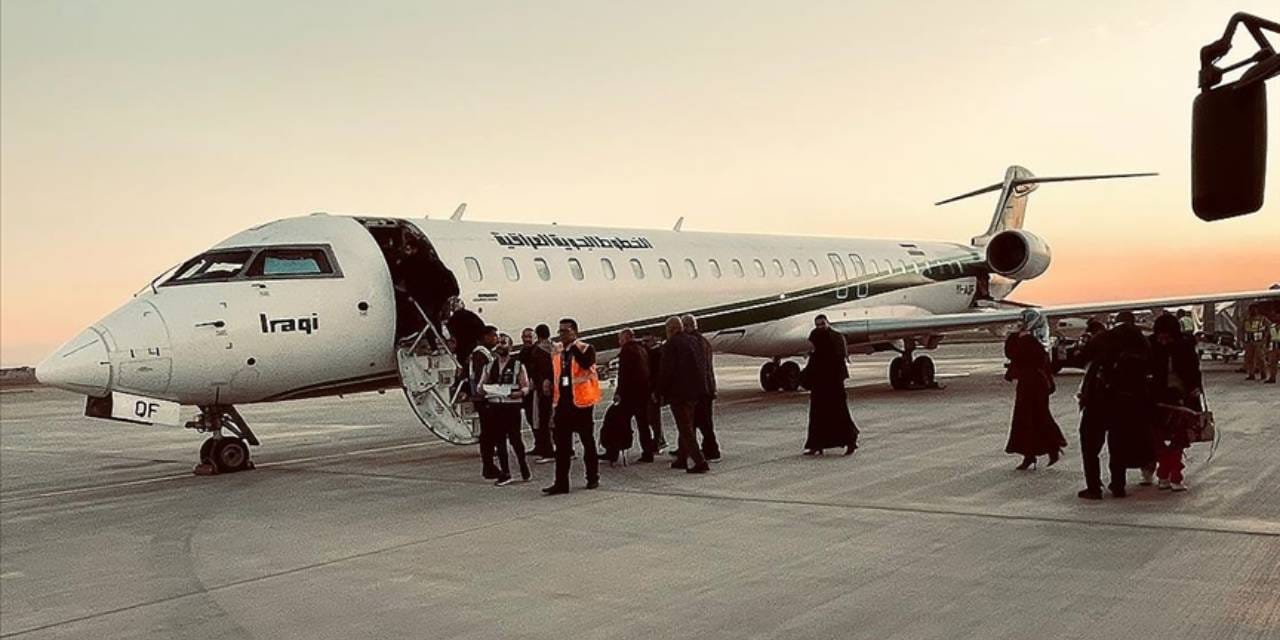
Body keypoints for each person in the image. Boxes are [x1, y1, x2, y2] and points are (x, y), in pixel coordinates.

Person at [1076, 311, 1155, 499]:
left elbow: (1081, 358)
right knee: (1118, 444)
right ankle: (1118, 485)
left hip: (1098, 399)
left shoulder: (1103, 338)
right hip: (1126, 401)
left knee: (1090, 446)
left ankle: (1093, 488)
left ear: (1116, 322)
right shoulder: (1142, 342)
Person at [543, 318, 603, 495]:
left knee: (587, 442)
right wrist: (547, 381)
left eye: (565, 331)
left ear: (574, 332)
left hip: (582, 403)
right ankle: (561, 483)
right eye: (560, 331)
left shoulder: (585, 348)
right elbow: (554, 372)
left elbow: (586, 363)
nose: (561, 334)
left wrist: (573, 347)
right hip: (563, 403)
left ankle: (592, 477)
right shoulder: (558, 352)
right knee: (562, 446)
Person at [1145, 314, 1203, 492]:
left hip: (1182, 399)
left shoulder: (1184, 347)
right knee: (1158, 439)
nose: (1163, 342)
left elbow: (1194, 371)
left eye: (1167, 338)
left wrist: (1196, 388)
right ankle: (1166, 474)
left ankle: (1173, 475)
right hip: (1157, 399)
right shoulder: (1150, 346)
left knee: (1179, 438)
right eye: (1160, 338)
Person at [1003, 330, 1066, 470]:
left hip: (1029, 387)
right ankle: (1045, 450)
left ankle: (1033, 454)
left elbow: (1011, 354)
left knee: (1028, 420)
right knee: (1038, 419)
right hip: (1037, 386)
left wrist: (1012, 338)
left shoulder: (1025, 349)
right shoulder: (1037, 351)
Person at [800, 315, 859, 455]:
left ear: (828, 323)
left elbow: (838, 359)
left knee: (839, 413)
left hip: (833, 382)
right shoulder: (815, 336)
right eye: (817, 324)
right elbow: (814, 357)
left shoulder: (836, 337)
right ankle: (816, 445)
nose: (820, 327)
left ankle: (850, 442)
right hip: (820, 382)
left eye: (822, 323)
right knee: (817, 415)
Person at [659, 316, 711, 474]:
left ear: (671, 329)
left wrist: (659, 392)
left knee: (685, 429)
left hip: (679, 393)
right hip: (695, 391)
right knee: (687, 425)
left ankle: (699, 461)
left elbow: (666, 372)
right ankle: (682, 458)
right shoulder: (694, 341)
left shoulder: (670, 345)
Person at [482, 333, 532, 486]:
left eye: (504, 343)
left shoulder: (517, 365)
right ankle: (506, 473)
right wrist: (485, 389)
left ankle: (523, 466)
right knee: (500, 441)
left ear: (510, 347)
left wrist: (520, 393)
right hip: (496, 406)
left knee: (515, 439)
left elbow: (526, 386)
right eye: (498, 342)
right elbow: (480, 386)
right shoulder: (489, 366)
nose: (500, 345)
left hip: (511, 406)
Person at [607, 328, 655, 462]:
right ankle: (648, 452)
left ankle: (614, 451)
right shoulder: (642, 349)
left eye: (620, 339)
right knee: (643, 424)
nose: (619, 342)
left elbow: (624, 375)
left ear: (626, 338)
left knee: (619, 421)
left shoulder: (627, 351)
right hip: (643, 392)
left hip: (630, 394)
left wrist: (618, 392)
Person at [681, 314, 721, 462]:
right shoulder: (703, 341)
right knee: (703, 422)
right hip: (706, 388)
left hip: (700, 390)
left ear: (688, 326)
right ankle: (698, 448)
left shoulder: (694, 343)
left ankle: (711, 450)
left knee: (702, 423)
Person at [517, 326, 555, 462]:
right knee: (533, 419)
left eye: (529, 336)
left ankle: (547, 449)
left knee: (542, 419)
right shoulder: (525, 352)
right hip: (531, 390)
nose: (527, 339)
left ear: (536, 337)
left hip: (539, 390)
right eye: (524, 337)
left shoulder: (539, 351)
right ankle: (540, 446)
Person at [469, 325, 500, 480]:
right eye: (493, 336)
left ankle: (489, 465)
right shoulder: (480, 355)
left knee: (490, 432)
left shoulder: (484, 353)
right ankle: (488, 466)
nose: (496, 339)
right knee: (488, 433)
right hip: (485, 398)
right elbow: (483, 377)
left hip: (486, 397)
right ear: (485, 337)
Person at [642, 334, 670, 452]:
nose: (644, 344)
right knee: (652, 417)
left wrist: (655, 391)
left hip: (654, 390)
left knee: (654, 417)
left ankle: (659, 440)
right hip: (652, 389)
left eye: (647, 341)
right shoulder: (653, 352)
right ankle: (659, 440)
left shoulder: (656, 353)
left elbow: (656, 374)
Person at [1242, 304, 1273, 381]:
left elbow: (1269, 327)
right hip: (1249, 340)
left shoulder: (1262, 319)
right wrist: (1242, 339)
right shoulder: (1246, 319)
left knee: (1260, 357)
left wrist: (1265, 338)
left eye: (1255, 309)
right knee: (1249, 358)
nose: (1253, 311)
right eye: (1251, 309)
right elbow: (1241, 329)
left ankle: (1263, 373)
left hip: (1259, 341)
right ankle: (1251, 374)